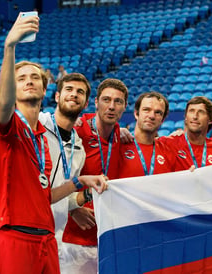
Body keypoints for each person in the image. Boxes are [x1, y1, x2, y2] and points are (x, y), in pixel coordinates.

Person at [0, 14, 107, 274]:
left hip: (47, 239)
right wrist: (10, 48)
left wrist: (79, 182)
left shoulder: (43, 139)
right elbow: (5, 103)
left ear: (45, 88)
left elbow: (45, 197)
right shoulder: (7, 128)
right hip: (13, 237)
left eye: (34, 77)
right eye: (21, 78)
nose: (29, 80)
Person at [61, 78, 128, 274]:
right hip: (73, 238)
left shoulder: (119, 134)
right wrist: (73, 209)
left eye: (118, 102)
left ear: (125, 107)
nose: (112, 106)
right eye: (106, 100)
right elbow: (54, 179)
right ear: (96, 102)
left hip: (106, 238)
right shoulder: (76, 130)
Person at [118, 91, 176, 178]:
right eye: (146, 110)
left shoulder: (169, 151)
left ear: (162, 120)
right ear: (136, 114)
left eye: (158, 112)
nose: (152, 116)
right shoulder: (117, 145)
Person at [161, 96, 212, 171]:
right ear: (186, 117)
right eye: (191, 111)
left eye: (201, 112)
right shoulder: (168, 144)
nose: (195, 116)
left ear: (211, 119)